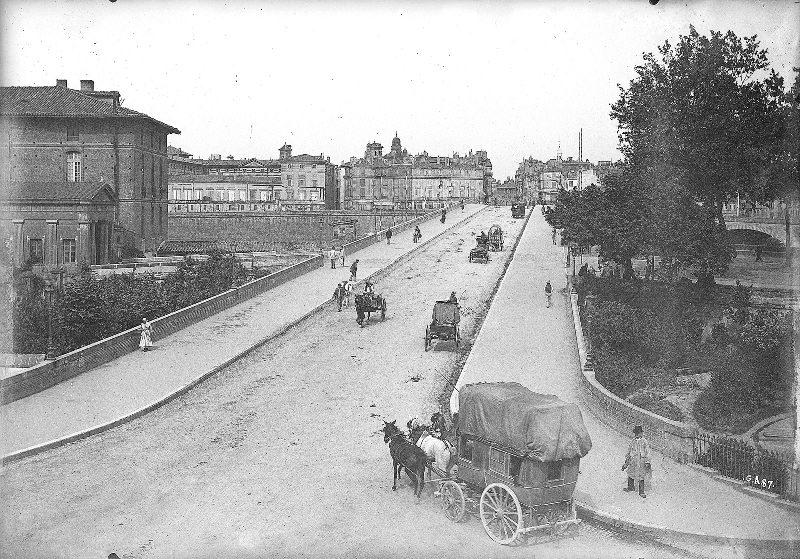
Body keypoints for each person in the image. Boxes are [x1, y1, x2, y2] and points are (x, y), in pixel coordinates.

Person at [622, 425, 651, 498]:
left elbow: (647, 452)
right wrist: (627, 460)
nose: (638, 435)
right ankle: (631, 487)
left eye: (639, 433)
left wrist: (647, 461)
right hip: (633, 460)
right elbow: (629, 450)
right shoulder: (633, 441)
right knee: (631, 473)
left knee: (641, 476)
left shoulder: (644, 441)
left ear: (641, 433)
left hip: (641, 461)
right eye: (636, 433)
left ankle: (641, 491)